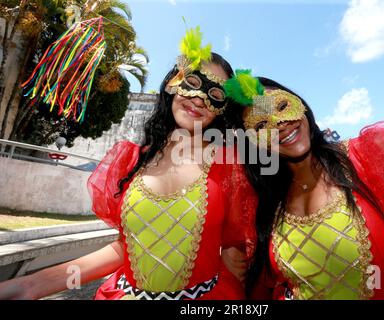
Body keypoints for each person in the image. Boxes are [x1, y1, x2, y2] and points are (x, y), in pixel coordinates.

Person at [0, 28, 258, 300]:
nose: (199, 98)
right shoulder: (131, 160)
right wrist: (31, 285)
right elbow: (126, 248)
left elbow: (235, 255)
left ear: (223, 108)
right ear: (174, 83)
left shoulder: (231, 168)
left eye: (215, 94)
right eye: (193, 82)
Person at [223, 70, 384, 300]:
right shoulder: (264, 204)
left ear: (300, 105)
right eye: (261, 124)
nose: (280, 124)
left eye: (282, 107)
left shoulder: (374, 157)